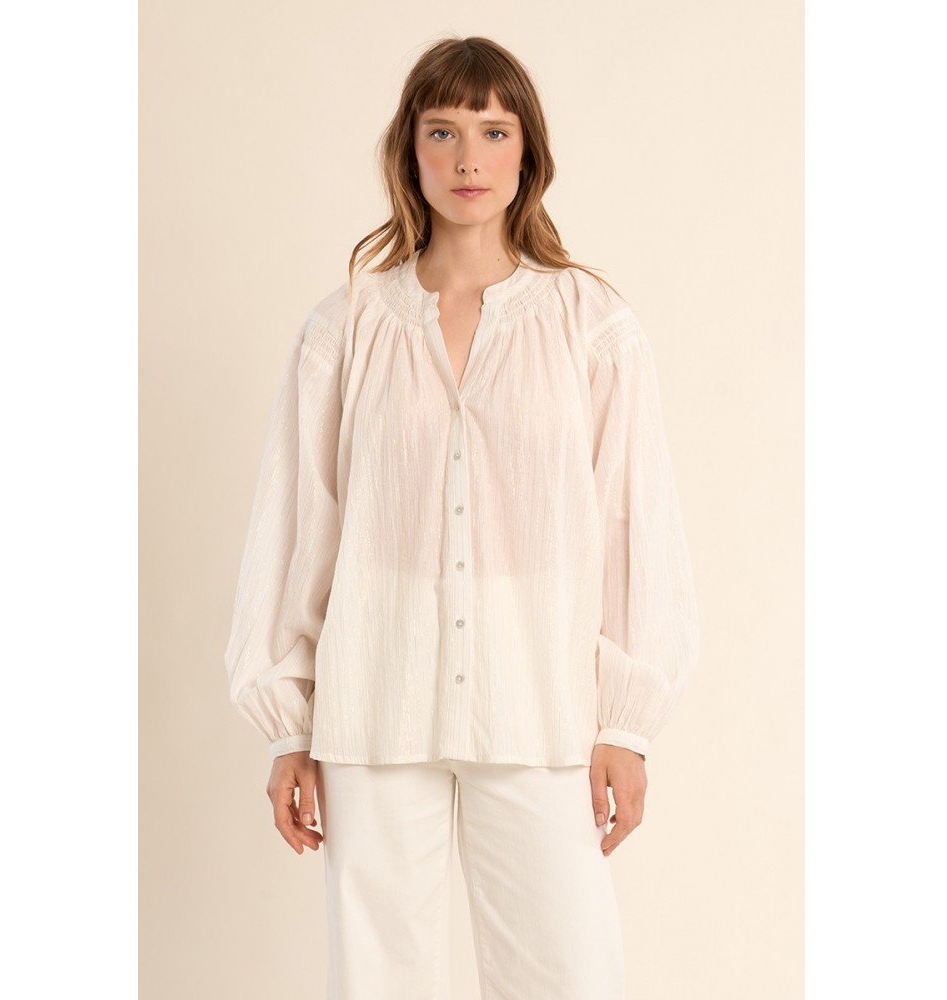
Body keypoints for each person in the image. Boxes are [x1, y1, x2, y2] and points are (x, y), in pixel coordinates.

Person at [224, 34, 700, 1000]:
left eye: (493, 130)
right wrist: (289, 727)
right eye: (442, 131)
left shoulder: (591, 326)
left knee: (567, 973)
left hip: (540, 704)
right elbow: (301, 529)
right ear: (410, 150)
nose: (469, 158)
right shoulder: (346, 328)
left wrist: (627, 722)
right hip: (374, 701)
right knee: (378, 978)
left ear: (529, 152)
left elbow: (631, 524)